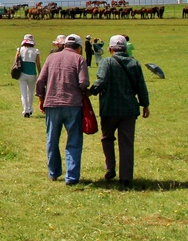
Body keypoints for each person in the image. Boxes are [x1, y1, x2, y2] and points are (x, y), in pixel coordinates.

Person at [88, 35, 151, 188]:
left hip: (109, 109)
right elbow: (140, 86)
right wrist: (145, 105)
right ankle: (126, 177)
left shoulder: (107, 62)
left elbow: (101, 82)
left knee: (107, 138)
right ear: (125, 48)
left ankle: (110, 167)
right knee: (127, 143)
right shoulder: (134, 63)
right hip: (129, 110)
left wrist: (91, 92)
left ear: (110, 49)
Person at [35, 33, 90, 185]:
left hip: (52, 103)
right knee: (74, 140)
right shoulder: (79, 59)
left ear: (65, 45)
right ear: (79, 48)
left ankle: (54, 172)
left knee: (52, 139)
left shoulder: (51, 58)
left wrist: (41, 98)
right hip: (73, 105)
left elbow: (41, 81)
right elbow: (83, 82)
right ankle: (71, 176)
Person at [16, 34, 42, 117]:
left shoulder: (20, 50)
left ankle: (25, 110)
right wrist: (40, 73)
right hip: (32, 74)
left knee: (23, 93)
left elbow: (16, 61)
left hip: (22, 74)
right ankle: (30, 108)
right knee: (31, 92)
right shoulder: (36, 51)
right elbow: (38, 64)